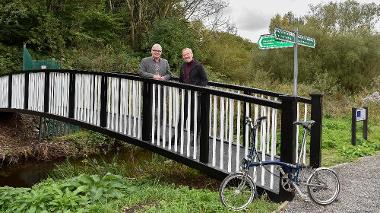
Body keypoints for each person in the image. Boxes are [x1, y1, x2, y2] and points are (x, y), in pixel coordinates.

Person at [175, 48, 208, 145]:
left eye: (188, 54)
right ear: (183, 56)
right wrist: (180, 90)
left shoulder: (198, 66)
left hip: (196, 97)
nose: (186, 56)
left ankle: (195, 138)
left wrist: (198, 89)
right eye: (184, 55)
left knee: (196, 117)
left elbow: (205, 80)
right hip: (186, 96)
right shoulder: (182, 66)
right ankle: (177, 137)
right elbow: (181, 80)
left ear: (192, 54)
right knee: (182, 117)